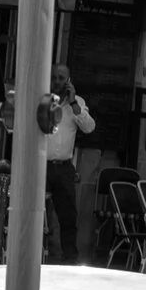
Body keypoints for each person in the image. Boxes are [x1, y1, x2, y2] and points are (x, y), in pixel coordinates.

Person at [39, 65, 96, 261]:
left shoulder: (77, 103)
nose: (57, 81)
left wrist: (73, 103)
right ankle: (37, 256)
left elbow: (89, 127)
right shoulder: (41, 100)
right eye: (54, 77)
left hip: (63, 168)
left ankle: (69, 260)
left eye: (61, 78)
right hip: (41, 167)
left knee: (68, 217)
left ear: (68, 80)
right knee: (37, 214)